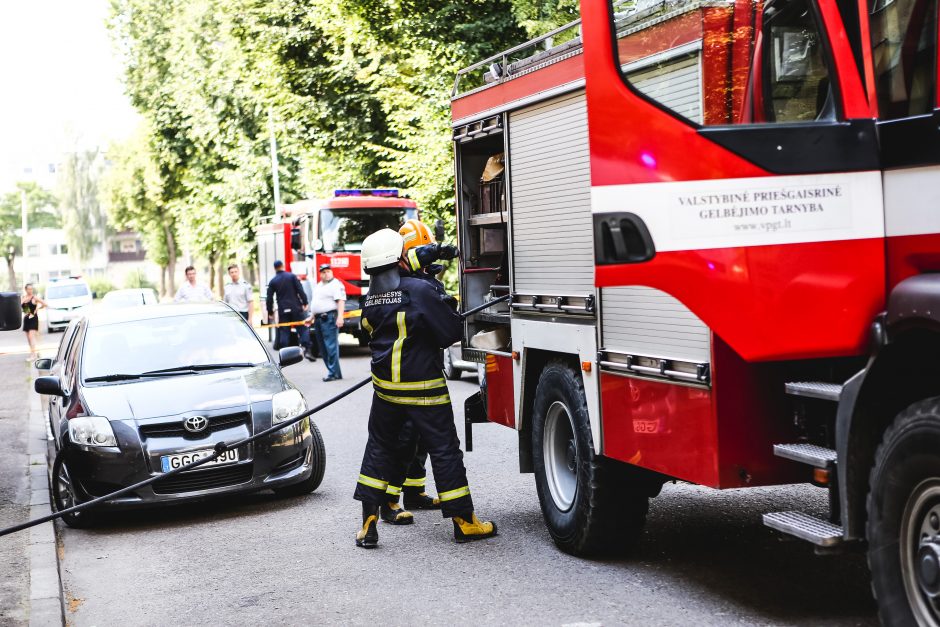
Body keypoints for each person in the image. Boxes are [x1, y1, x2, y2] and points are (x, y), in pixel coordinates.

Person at [353, 228, 496, 548]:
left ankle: (368, 524)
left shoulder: (370, 299)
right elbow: (449, 332)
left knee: (378, 448)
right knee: (445, 451)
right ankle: (464, 522)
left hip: (386, 392)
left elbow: (365, 332)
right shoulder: (419, 290)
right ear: (400, 258)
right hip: (425, 389)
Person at [265, 260, 314, 359]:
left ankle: (285, 354)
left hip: (283, 310)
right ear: (283, 266)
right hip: (296, 308)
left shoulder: (273, 281)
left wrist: (270, 311)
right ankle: (307, 349)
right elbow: (300, 290)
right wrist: (305, 302)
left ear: (275, 268)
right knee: (302, 328)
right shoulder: (292, 276)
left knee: (284, 330)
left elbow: (269, 298)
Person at [307, 264, 345, 382]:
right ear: (320, 274)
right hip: (318, 319)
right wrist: (311, 317)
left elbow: (340, 301)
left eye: (328, 271)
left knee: (331, 346)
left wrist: (340, 317)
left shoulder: (335, 284)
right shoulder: (319, 286)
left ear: (331, 272)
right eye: (323, 272)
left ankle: (332, 373)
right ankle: (335, 373)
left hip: (328, 318)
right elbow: (316, 303)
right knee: (323, 348)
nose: (326, 274)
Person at [20, 284, 47, 362]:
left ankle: (33, 355)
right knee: (28, 338)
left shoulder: (34, 298)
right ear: (25, 289)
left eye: (31, 289)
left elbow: (45, 304)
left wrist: (37, 309)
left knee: (32, 337)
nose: (30, 290)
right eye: (29, 289)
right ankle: (33, 353)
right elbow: (23, 308)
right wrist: (24, 303)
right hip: (26, 318)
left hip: (33, 318)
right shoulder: (23, 298)